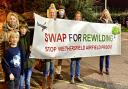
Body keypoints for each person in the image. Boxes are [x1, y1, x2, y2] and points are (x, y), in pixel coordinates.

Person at [42, 3, 57, 89]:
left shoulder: (58, 22)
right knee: (46, 69)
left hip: (54, 51)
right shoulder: (45, 22)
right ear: (48, 13)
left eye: (53, 12)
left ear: (55, 13)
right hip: (47, 50)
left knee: (52, 69)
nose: (52, 14)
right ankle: (44, 86)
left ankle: (50, 86)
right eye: (51, 12)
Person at [19, 22, 35, 89]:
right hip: (21, 64)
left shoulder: (30, 36)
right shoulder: (18, 37)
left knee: (28, 81)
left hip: (29, 62)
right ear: (19, 29)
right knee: (21, 83)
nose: (23, 30)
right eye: (21, 28)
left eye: (24, 28)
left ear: (27, 29)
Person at [70, 11, 83, 84]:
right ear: (75, 17)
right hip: (73, 46)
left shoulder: (83, 25)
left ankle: (77, 76)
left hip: (80, 46)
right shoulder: (72, 24)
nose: (78, 17)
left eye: (79, 16)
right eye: (77, 16)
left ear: (80, 18)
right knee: (73, 62)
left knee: (78, 62)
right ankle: (72, 77)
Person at [55, 4, 67, 80]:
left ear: (64, 11)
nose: (61, 11)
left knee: (60, 59)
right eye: (59, 10)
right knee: (52, 57)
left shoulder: (66, 19)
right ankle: (50, 72)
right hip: (55, 40)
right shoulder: (55, 18)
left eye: (62, 10)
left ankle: (58, 73)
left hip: (62, 42)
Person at [99, 9, 113, 75]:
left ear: (108, 14)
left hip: (108, 41)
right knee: (102, 56)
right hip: (102, 41)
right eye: (104, 13)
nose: (105, 14)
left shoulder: (110, 21)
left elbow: (113, 30)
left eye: (106, 13)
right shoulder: (100, 21)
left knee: (107, 56)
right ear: (103, 14)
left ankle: (107, 69)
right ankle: (101, 69)